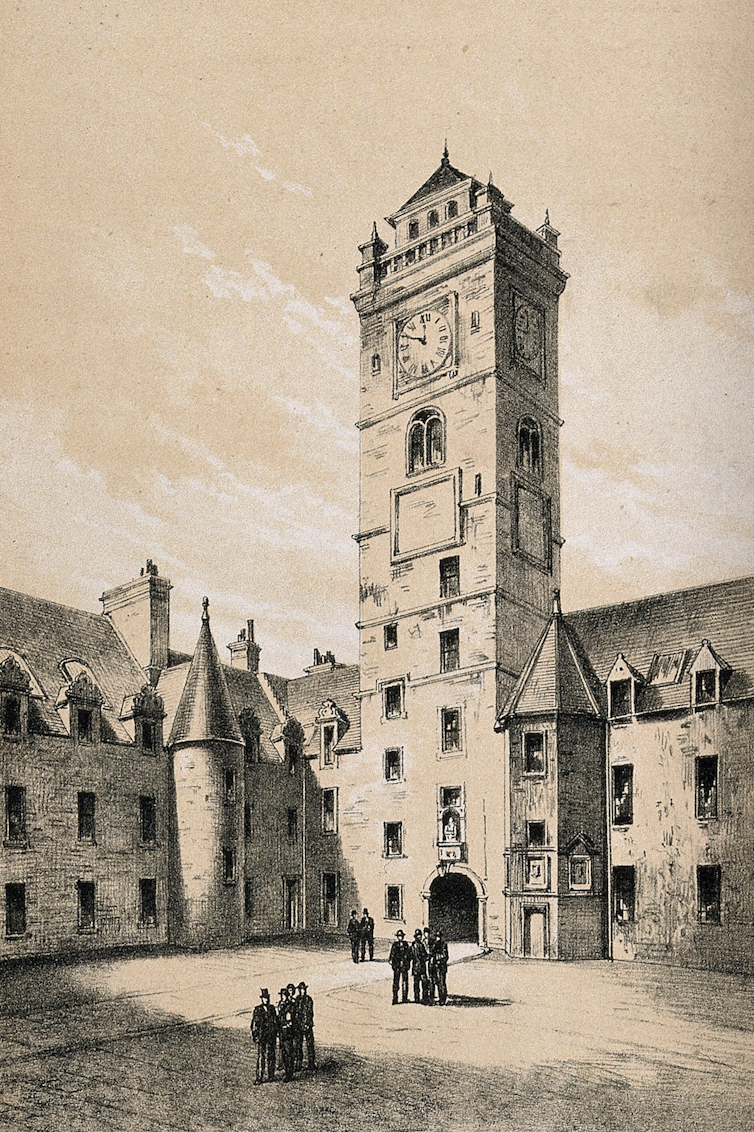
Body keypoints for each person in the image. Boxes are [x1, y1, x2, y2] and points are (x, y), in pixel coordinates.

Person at [250, 988, 278, 1083]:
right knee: (261, 1056)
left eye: (267, 998)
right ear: (261, 999)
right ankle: (259, 1077)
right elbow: (254, 1024)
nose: (266, 1000)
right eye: (264, 998)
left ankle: (271, 1075)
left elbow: (275, 1021)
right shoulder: (258, 1009)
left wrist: (275, 1032)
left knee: (271, 1055)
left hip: (271, 1036)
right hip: (262, 1036)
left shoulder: (272, 1008)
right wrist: (255, 1036)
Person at [293, 981, 315, 1072]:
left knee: (310, 1045)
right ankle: (299, 1064)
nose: (302, 991)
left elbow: (309, 1013)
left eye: (303, 989)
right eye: (300, 989)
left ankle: (311, 1064)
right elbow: (296, 1012)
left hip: (307, 1025)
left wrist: (307, 1023)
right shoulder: (297, 999)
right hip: (299, 1026)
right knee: (298, 1045)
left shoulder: (309, 999)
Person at [277, 985, 297, 1080]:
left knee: (289, 1052)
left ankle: (289, 1073)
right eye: (281, 995)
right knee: (284, 1052)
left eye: (283, 995)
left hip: (287, 1032)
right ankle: (286, 1071)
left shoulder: (290, 1005)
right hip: (282, 1032)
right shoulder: (281, 1005)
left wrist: (287, 1025)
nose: (282, 997)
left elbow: (290, 1019)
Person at [388, 929, 411, 1004]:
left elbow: (408, 954)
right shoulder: (395, 945)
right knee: (396, 982)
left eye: (401, 936)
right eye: (399, 936)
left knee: (405, 982)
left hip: (404, 966)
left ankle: (404, 997)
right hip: (397, 966)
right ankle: (395, 998)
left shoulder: (405, 944)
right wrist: (391, 961)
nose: (400, 937)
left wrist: (406, 962)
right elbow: (392, 954)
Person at [430, 930, 449, 1005]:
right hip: (435, 967)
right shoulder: (435, 944)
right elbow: (432, 953)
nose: (437, 938)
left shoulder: (444, 945)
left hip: (442, 967)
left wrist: (439, 960)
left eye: (439, 937)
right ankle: (440, 998)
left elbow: (445, 956)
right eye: (437, 937)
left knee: (442, 983)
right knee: (437, 982)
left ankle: (443, 999)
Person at [410, 929, 428, 1004]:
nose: (420, 937)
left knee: (417, 983)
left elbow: (410, 956)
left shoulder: (413, 945)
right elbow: (424, 956)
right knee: (423, 983)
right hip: (420, 967)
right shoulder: (419, 945)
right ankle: (423, 998)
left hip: (416, 967)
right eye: (419, 936)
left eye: (420, 935)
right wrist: (428, 957)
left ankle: (417, 998)